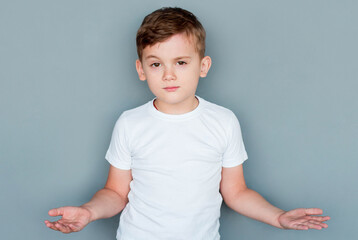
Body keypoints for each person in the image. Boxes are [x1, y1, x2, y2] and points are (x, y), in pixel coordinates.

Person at [44, 7, 330, 239]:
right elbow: (116, 192)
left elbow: (236, 192)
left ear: (202, 66)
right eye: (156, 64)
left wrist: (278, 217)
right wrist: (89, 212)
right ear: (141, 69)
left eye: (180, 62)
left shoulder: (223, 121)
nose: (169, 75)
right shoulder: (130, 123)